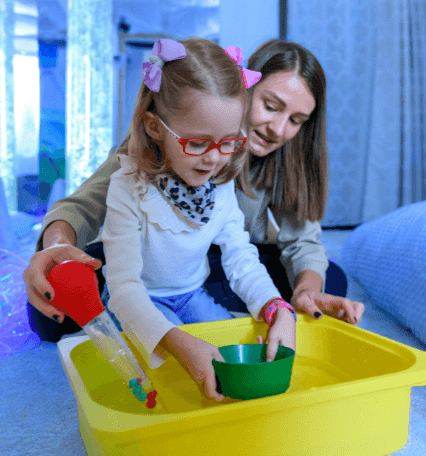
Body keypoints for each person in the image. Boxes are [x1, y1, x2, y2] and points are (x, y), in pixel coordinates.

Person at [24, 38, 364, 345]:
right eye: (271, 106)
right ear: (243, 90)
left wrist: (304, 292)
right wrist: (60, 248)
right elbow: (82, 207)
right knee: (55, 305)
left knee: (329, 279)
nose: (277, 129)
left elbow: (295, 244)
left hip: (211, 266)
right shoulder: (155, 149)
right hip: (148, 260)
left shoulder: (271, 165)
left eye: (296, 119)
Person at [86, 38, 297, 401]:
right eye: (197, 144)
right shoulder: (127, 186)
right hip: (138, 302)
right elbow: (123, 290)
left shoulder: (221, 182)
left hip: (191, 295)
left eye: (228, 142)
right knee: (167, 382)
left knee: (233, 361)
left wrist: (276, 306)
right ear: (154, 127)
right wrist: (173, 339)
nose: (214, 160)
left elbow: (241, 257)